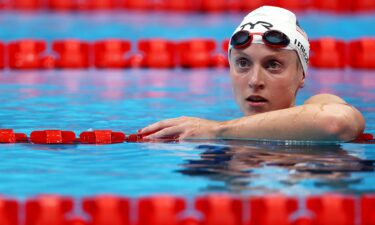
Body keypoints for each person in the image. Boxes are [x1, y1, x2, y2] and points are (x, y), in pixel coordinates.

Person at [137, 6, 365, 142]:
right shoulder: (219, 156)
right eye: (243, 63)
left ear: (301, 75)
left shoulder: (321, 104)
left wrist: (217, 130)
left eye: (273, 64)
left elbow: (336, 122)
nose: (255, 81)